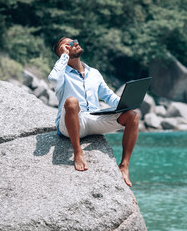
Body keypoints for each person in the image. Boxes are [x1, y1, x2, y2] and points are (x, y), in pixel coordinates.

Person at [48, 37, 139, 187]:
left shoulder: (94, 73)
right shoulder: (61, 73)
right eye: (69, 44)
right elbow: (52, 78)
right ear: (62, 52)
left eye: (75, 41)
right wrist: (64, 56)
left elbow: (108, 96)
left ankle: (124, 165)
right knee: (72, 101)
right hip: (70, 123)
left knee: (133, 116)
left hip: (95, 120)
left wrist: (127, 104)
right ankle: (78, 152)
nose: (75, 44)